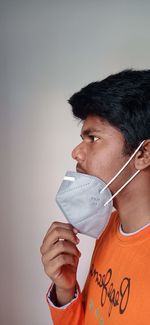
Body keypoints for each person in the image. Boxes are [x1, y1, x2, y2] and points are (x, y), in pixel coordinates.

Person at [40, 69, 150, 325]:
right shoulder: (111, 227)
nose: (76, 152)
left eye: (93, 138)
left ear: (143, 154)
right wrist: (65, 291)